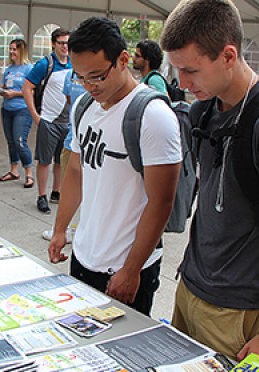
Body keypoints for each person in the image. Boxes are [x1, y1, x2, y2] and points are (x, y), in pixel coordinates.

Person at [160, 0, 259, 361]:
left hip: (238, 313)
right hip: (191, 290)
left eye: (191, 70)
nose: (182, 84)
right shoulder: (205, 110)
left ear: (228, 55)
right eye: (176, 70)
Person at [48, 17, 181, 316]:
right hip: (83, 256)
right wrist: (60, 230)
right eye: (80, 77)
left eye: (96, 76)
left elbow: (161, 202)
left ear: (123, 60)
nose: (88, 86)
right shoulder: (84, 108)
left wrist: (132, 269)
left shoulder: (153, 116)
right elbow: (76, 172)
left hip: (125, 268)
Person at [23, 28, 72, 214]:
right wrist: (35, 115)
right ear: (53, 44)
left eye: (68, 43)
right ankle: (41, 196)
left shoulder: (73, 63)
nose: (65, 46)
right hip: (49, 120)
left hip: (67, 122)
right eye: (61, 43)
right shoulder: (45, 64)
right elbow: (27, 87)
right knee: (44, 160)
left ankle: (56, 191)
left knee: (61, 160)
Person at [42, 69, 86, 243]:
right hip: (72, 140)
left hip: (88, 143)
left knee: (86, 190)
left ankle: (78, 230)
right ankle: (64, 228)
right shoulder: (70, 76)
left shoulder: (94, 75)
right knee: (69, 185)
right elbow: (70, 101)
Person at [0, 39, 34, 188]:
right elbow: (5, 86)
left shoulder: (29, 69)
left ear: (21, 51)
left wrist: (15, 94)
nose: (11, 52)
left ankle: (29, 173)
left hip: (22, 109)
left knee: (19, 140)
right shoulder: (9, 69)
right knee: (11, 142)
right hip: (7, 109)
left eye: (14, 49)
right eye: (10, 49)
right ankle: (14, 170)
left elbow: (32, 91)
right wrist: (0, 90)